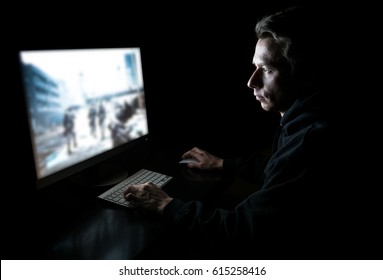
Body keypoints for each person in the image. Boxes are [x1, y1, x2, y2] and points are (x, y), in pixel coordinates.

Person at [123, 6, 357, 259]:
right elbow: (281, 168)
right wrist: (224, 164)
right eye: (255, 67)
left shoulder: (313, 139)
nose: (251, 81)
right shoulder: (307, 119)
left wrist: (164, 205)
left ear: (306, 74)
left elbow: (236, 234)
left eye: (267, 70)